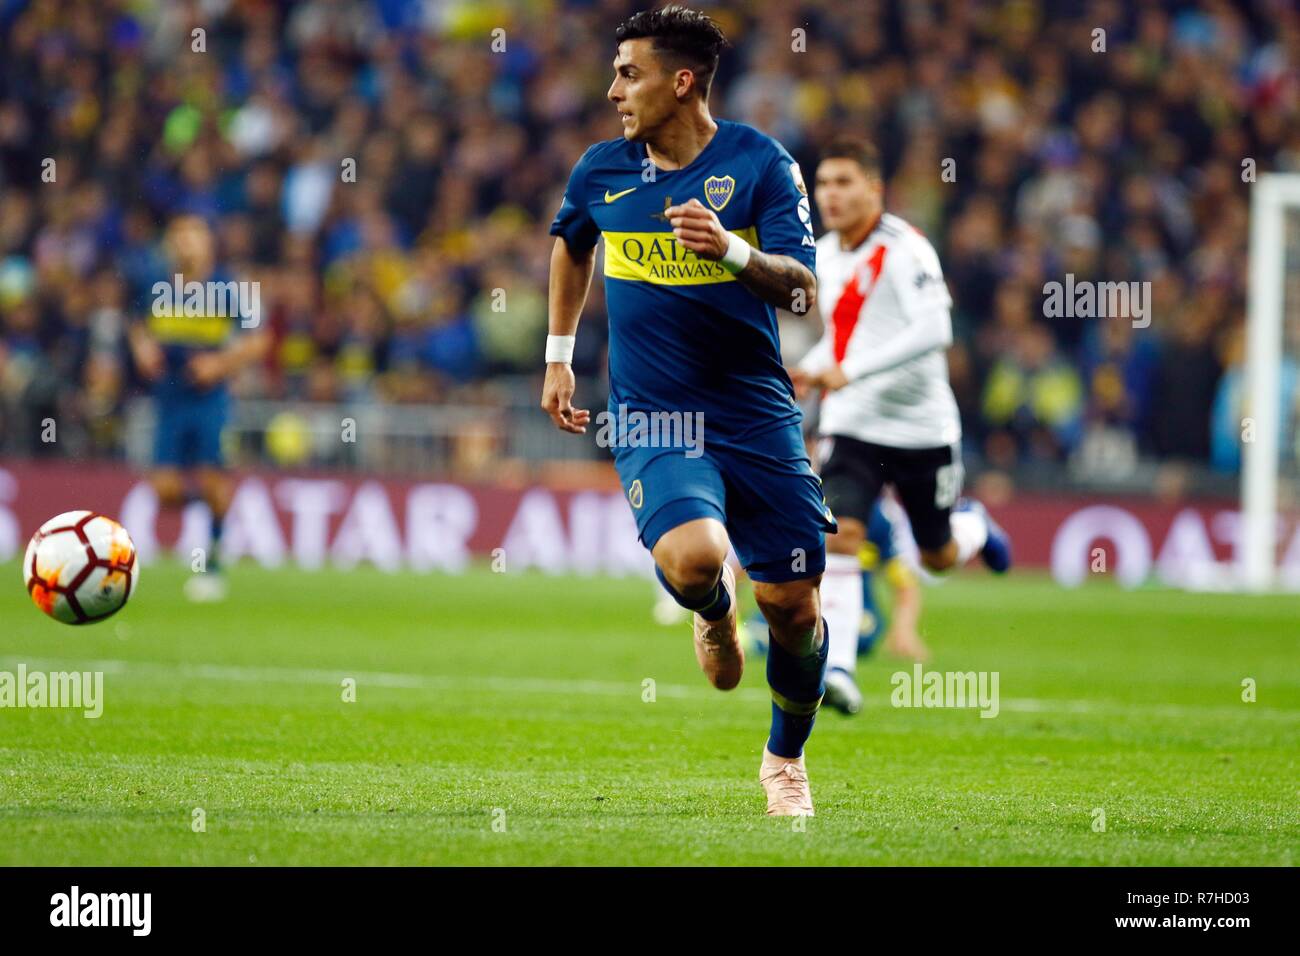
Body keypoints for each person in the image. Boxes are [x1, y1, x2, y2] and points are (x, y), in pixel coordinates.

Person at [542, 6, 832, 815]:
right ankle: (711, 609)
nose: (612, 92)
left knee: (796, 611)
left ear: (682, 82)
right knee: (698, 558)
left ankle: (784, 760)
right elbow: (571, 244)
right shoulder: (602, 171)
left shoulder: (760, 165)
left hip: (756, 415)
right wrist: (558, 357)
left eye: (627, 74)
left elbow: (805, 289)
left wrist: (733, 250)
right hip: (653, 412)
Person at [792, 137, 1011, 711]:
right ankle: (836, 668)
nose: (830, 195)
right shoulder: (825, 254)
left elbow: (935, 330)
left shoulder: (907, 250)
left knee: (937, 556)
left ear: (874, 188)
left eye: (844, 182)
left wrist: (849, 369)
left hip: (922, 430)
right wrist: (810, 372)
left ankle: (977, 529)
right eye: (823, 183)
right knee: (840, 534)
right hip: (854, 425)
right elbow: (844, 340)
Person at [128, 216, 269, 601]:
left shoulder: (230, 287)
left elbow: (259, 341)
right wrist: (142, 348)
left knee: (211, 479)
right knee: (163, 491)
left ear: (208, 242)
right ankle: (215, 506)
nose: (185, 242)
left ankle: (214, 564)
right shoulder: (155, 285)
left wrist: (219, 365)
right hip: (169, 399)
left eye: (193, 234)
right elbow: (137, 325)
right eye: (178, 235)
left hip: (211, 400)